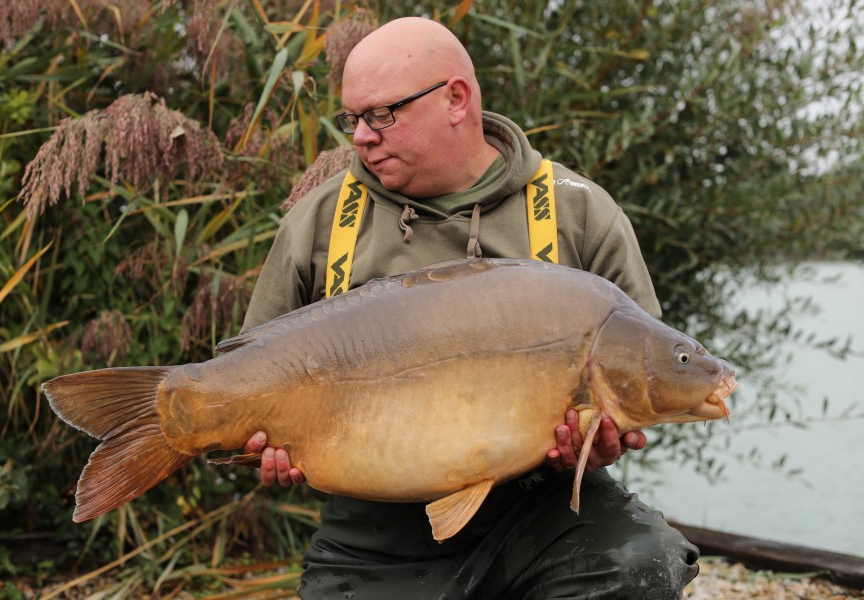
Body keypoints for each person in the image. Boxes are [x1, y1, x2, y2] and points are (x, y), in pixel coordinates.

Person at [239, 16, 700, 599]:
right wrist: (260, 447)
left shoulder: (578, 213)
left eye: (382, 115)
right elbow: (251, 371)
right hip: (374, 534)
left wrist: (601, 440)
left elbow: (645, 367)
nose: (360, 137)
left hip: (547, 514)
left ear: (456, 99)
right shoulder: (323, 221)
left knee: (643, 561)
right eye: (352, 119)